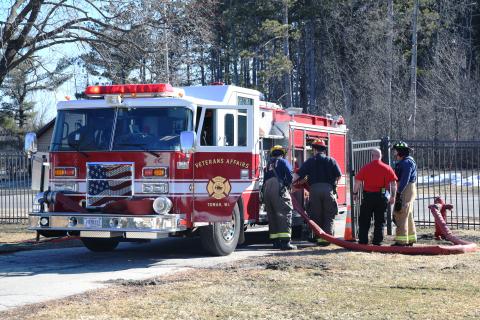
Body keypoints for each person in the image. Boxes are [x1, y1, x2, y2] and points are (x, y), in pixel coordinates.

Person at [295, 139, 342, 246]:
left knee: (316, 215)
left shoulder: (310, 161)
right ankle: (327, 239)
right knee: (329, 215)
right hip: (328, 190)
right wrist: (335, 186)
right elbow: (339, 175)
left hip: (314, 191)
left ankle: (319, 238)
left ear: (315, 150)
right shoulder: (331, 160)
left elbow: (298, 175)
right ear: (324, 150)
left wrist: (289, 184)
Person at [353, 148, 397, 246]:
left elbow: (358, 182)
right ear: (380, 156)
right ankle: (377, 241)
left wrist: (355, 194)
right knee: (380, 220)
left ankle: (363, 241)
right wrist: (393, 196)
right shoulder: (387, 168)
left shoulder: (365, 167)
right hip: (382, 197)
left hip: (368, 196)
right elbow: (393, 184)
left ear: (372, 156)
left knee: (364, 219)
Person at [263, 145, 297, 250]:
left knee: (272, 215)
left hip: (267, 189)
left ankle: (275, 242)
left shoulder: (268, 164)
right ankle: (285, 243)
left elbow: (264, 178)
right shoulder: (282, 161)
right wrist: (287, 185)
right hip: (277, 188)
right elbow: (290, 175)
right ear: (282, 154)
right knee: (285, 212)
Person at [391, 141, 417, 246]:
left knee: (401, 213)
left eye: (396, 151)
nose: (395, 154)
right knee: (408, 214)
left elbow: (404, 180)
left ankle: (401, 241)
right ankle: (410, 238)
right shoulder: (408, 161)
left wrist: (398, 192)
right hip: (408, 189)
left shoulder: (406, 163)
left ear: (400, 152)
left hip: (405, 189)